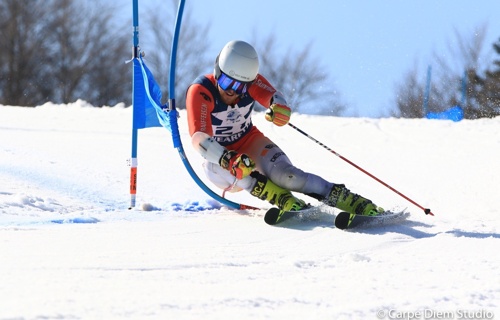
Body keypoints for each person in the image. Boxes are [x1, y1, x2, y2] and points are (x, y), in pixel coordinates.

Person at [186, 40, 383, 216]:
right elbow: (198, 137)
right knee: (216, 166)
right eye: (227, 82)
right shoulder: (201, 91)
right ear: (217, 72)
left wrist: (279, 109)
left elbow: (275, 97)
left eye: (239, 88)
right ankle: (279, 197)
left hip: (249, 141)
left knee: (289, 176)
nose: (231, 91)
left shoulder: (251, 81)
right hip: (221, 159)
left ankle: (352, 201)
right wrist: (226, 158)